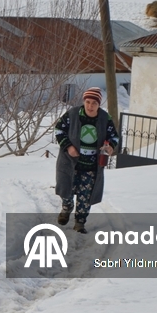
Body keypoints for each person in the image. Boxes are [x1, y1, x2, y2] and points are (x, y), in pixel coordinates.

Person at [54, 87, 120, 233]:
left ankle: (80, 222)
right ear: (84, 101)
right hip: (70, 163)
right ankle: (67, 207)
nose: (90, 106)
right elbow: (59, 130)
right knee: (67, 190)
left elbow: (114, 136)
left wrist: (110, 147)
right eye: (88, 102)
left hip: (92, 166)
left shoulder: (105, 118)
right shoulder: (72, 114)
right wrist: (68, 146)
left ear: (99, 104)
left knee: (86, 195)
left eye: (94, 103)